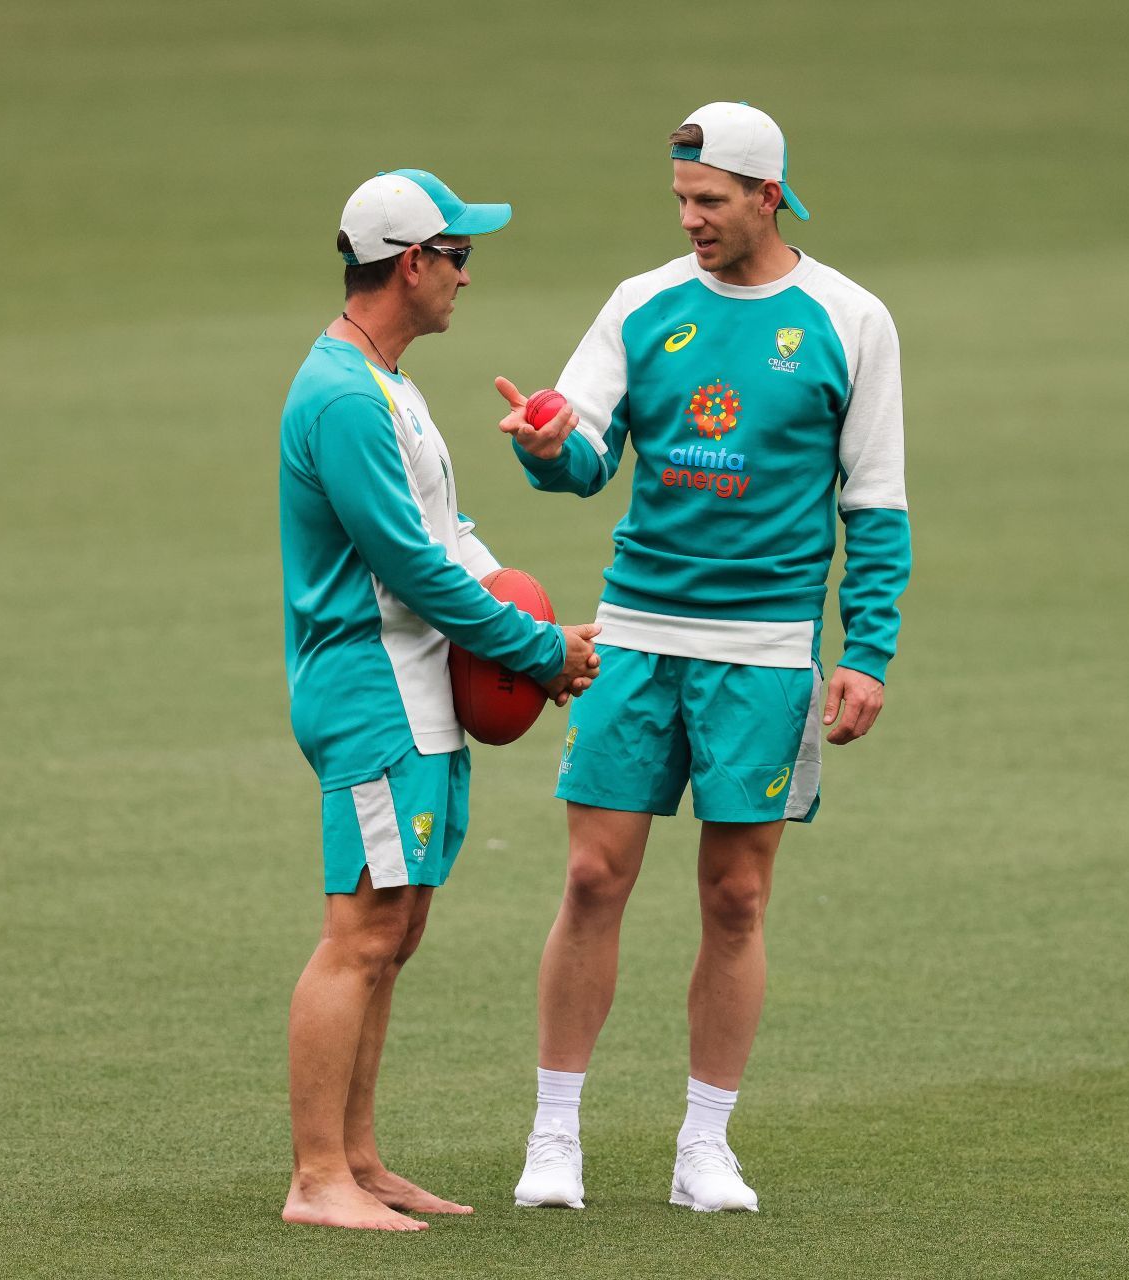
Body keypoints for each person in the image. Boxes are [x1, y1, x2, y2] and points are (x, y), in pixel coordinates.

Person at [499, 102, 910, 1213]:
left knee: (735, 897)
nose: (690, 219)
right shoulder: (642, 305)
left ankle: (704, 1148)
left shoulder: (850, 318)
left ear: (769, 194)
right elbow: (583, 450)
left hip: (767, 654)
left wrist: (865, 649)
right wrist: (549, 448)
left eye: (710, 201)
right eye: (681, 199)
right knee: (593, 876)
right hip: (636, 635)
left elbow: (875, 506)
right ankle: (554, 1138)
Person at [278, 168, 602, 1232]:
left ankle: (360, 1159)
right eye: (459, 254)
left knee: (398, 926)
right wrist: (535, 648)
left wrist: (536, 631)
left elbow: (448, 541)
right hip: (373, 690)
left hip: (417, 689)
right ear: (410, 262)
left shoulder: (387, 382)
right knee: (360, 929)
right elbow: (411, 566)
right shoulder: (340, 397)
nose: (469, 274)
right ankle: (317, 1176)